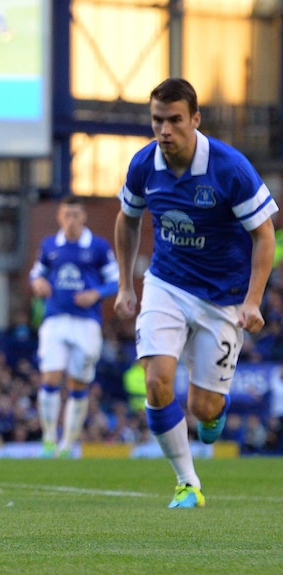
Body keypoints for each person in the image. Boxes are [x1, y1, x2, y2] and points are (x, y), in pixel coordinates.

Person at [114, 78, 277, 508]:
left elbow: (264, 235)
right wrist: (125, 283)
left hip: (222, 297)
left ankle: (213, 410)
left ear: (195, 120)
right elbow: (127, 219)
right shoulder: (144, 165)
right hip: (166, 284)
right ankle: (188, 483)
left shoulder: (230, 168)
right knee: (157, 380)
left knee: (203, 408)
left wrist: (253, 299)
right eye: (156, 121)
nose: (164, 131)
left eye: (174, 121)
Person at [29, 195, 119, 457]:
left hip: (87, 322)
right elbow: (37, 273)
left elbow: (115, 281)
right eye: (66, 215)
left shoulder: (99, 247)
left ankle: (68, 444)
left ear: (83, 216)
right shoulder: (49, 245)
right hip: (55, 318)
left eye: (75, 215)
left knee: (79, 384)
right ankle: (48, 438)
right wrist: (38, 284)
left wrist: (96, 293)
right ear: (60, 216)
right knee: (51, 377)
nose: (71, 220)